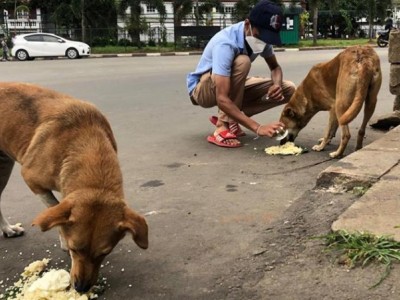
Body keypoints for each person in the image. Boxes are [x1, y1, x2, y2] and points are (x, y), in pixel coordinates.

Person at [186, 0, 296, 148]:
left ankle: (232, 118)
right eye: (260, 36)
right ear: (247, 25)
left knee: (289, 89)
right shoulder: (226, 43)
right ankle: (222, 126)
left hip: (228, 84)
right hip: (202, 90)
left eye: (267, 38)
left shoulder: (261, 40)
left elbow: (275, 68)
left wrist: (276, 85)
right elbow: (222, 98)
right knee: (243, 62)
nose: (263, 42)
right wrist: (258, 127)